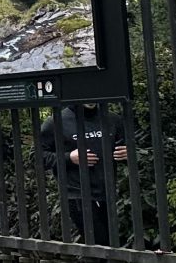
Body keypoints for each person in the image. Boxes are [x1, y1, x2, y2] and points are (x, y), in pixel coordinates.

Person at [40, 103, 126, 246]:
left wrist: (127, 153)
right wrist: (69, 157)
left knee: (111, 245)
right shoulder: (56, 122)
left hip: (108, 193)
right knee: (99, 244)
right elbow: (36, 156)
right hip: (78, 194)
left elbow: (124, 148)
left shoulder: (112, 119)